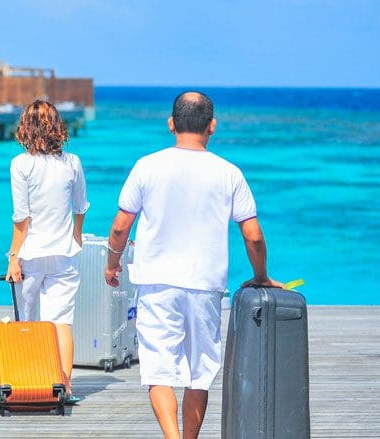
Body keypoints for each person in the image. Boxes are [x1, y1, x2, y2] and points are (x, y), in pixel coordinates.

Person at [104, 92, 282, 438]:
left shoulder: (147, 166)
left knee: (158, 370)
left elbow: (120, 227)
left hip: (156, 282)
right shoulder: (229, 173)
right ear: (212, 126)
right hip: (205, 285)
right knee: (200, 371)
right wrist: (260, 276)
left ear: (171, 124)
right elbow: (254, 235)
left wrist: (112, 264)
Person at [5, 99, 89, 405]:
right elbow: (80, 207)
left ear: (25, 128)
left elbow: (21, 218)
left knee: (25, 323)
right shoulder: (72, 162)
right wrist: (75, 236)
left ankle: (26, 381)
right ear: (57, 127)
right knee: (62, 322)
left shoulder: (21, 164)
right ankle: (63, 387)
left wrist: (13, 256)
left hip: (30, 255)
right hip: (64, 254)